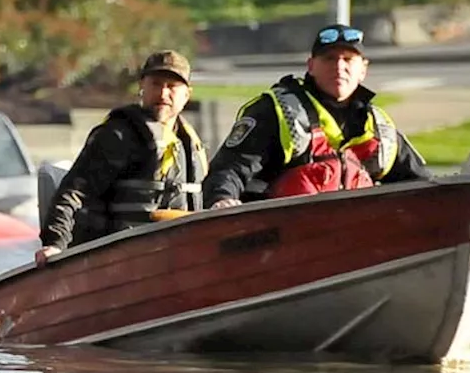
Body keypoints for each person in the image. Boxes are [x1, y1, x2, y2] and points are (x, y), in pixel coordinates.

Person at [202, 23, 431, 209]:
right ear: (311, 66)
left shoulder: (380, 128)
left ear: (363, 69)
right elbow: (230, 169)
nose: (339, 67)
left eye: (348, 59)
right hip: (284, 237)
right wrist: (222, 199)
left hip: (361, 237)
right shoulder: (276, 112)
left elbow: (422, 186)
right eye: (329, 59)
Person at [35, 50, 208, 266]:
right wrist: (55, 244)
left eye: (172, 87)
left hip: (176, 255)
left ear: (187, 94)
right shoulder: (117, 136)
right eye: (156, 84)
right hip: (121, 256)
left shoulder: (188, 143)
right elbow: (73, 192)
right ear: (141, 87)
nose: (163, 94)